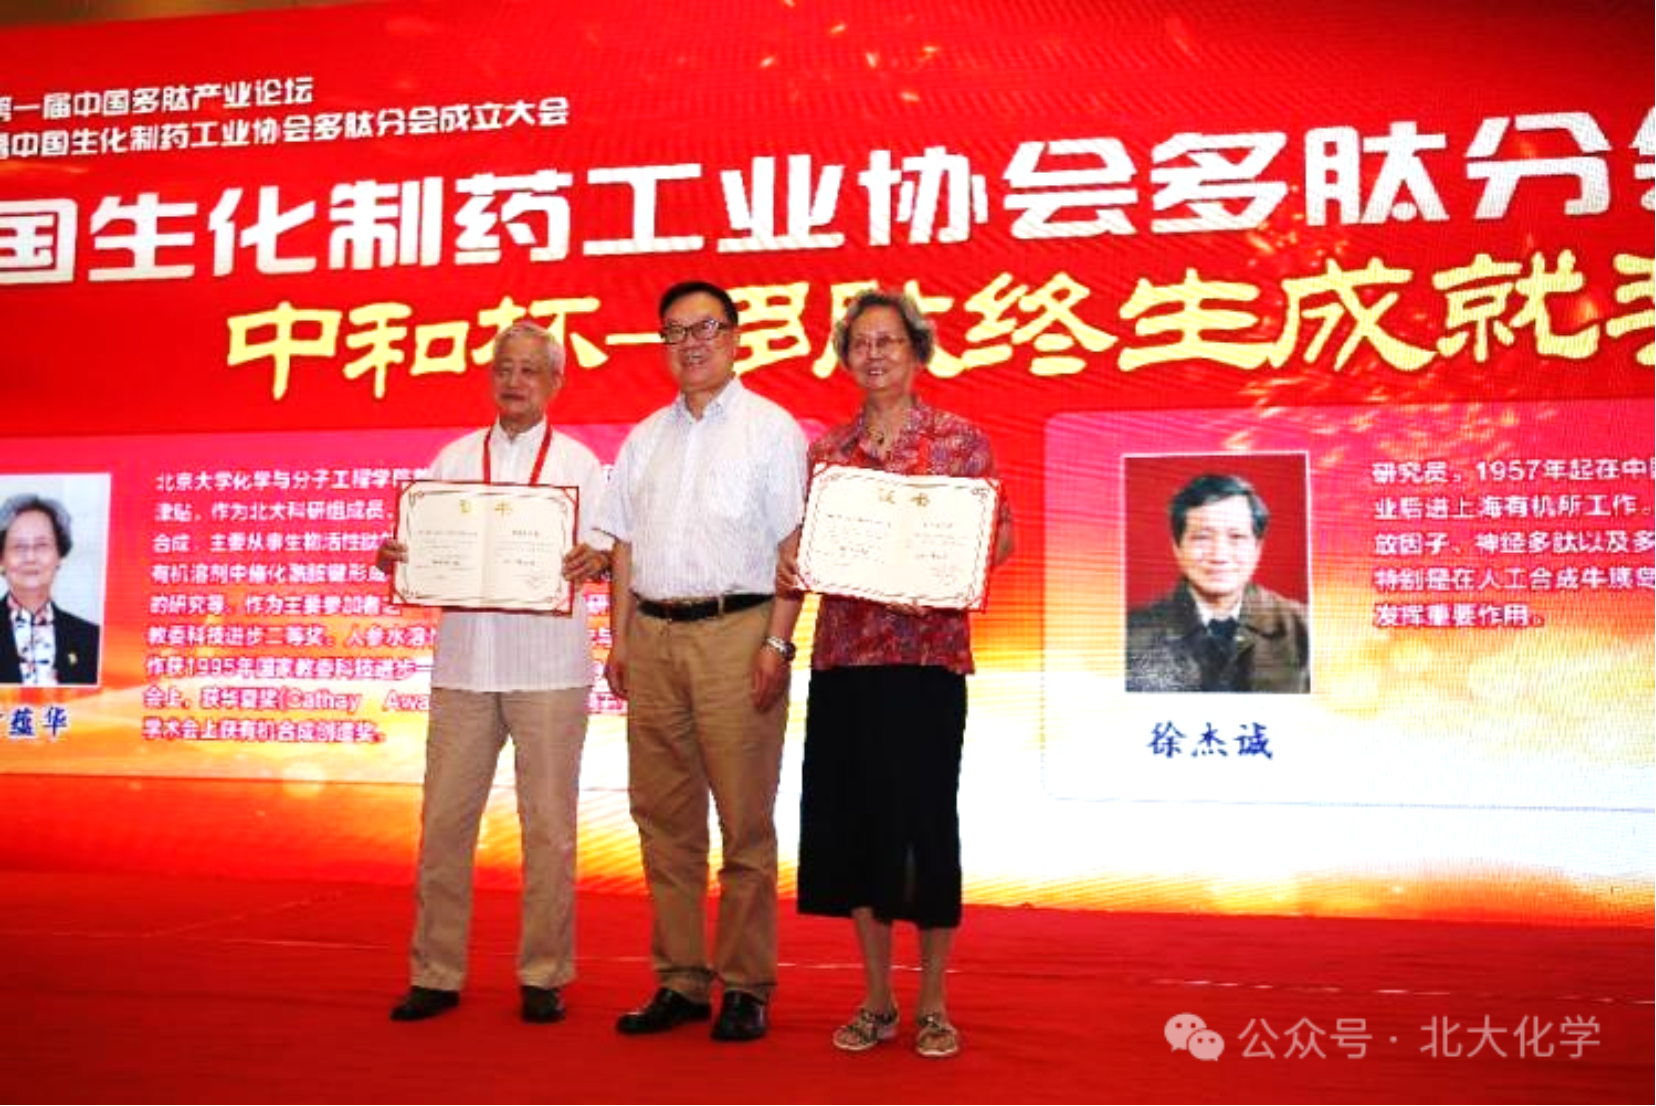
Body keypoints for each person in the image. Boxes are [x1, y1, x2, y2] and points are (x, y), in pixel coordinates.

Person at [778, 288, 1015, 1061]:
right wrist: (797, 559)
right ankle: (877, 999)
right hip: (847, 662)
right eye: (860, 343)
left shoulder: (960, 441)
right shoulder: (829, 453)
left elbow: (1001, 537)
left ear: (917, 352)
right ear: (845, 358)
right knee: (854, 830)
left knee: (923, 831)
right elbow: (807, 552)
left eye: (888, 341)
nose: (873, 354)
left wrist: (946, 570)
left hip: (926, 664)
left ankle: (934, 1003)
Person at [375, 321, 613, 1024]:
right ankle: (435, 973)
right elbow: (422, 548)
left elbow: (606, 552)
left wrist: (596, 559)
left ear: (556, 382)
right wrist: (399, 558)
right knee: (444, 825)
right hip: (465, 666)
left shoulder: (581, 465)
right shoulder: (452, 458)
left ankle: (544, 975)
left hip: (550, 666)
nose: (514, 381)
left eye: (530, 370)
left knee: (550, 830)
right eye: (504, 368)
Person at [595, 280, 807, 1044]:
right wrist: (620, 640)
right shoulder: (644, 438)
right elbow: (623, 546)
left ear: (736, 337)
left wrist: (777, 642)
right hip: (652, 637)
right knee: (664, 819)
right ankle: (681, 979)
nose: (691, 344)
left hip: (736, 634)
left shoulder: (770, 430)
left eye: (705, 328)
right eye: (675, 332)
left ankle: (746, 984)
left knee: (744, 821)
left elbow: (794, 547)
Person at [1125, 472, 1309, 693]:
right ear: (1177, 547)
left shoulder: (1307, 628)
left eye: (1236, 537)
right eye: (1202, 537)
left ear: (1257, 548)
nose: (1219, 555)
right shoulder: (1128, 634)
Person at [0, 494, 101, 687]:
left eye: (42, 545)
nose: (30, 557)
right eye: (18, 547)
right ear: (1, 560)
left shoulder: (92, 639)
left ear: (59, 556)